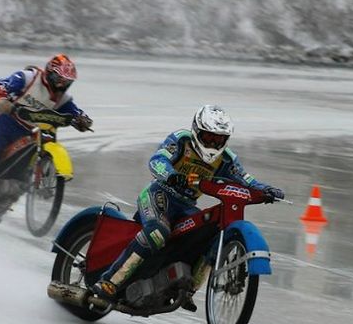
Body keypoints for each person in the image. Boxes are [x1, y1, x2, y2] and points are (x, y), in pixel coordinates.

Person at [92, 105, 284, 311]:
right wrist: (171, 175)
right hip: (159, 194)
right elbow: (157, 160)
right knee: (158, 233)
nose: (213, 143)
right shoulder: (181, 139)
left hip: (186, 205)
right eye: (208, 137)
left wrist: (267, 190)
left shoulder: (227, 159)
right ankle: (110, 281)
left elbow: (246, 180)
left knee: (208, 236)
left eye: (218, 139)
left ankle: (188, 288)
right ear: (196, 131)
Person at [0, 53, 93, 207]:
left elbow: (75, 112)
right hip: (6, 124)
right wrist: (2, 100)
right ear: (50, 73)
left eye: (66, 82)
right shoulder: (29, 77)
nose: (62, 85)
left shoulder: (63, 98)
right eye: (59, 80)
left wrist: (82, 120)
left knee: (23, 176)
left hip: (31, 134)